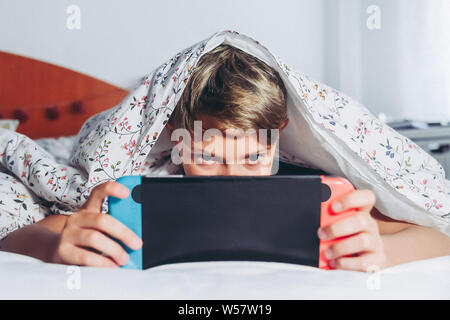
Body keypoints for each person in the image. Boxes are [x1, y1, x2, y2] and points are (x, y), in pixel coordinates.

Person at [1, 44, 449, 271]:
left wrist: (382, 250)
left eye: (254, 156)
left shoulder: (316, 195)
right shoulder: (141, 194)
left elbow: (440, 238)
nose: (236, 177)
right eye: (208, 155)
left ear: (281, 139)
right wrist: (55, 246)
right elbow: (16, 240)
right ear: (177, 141)